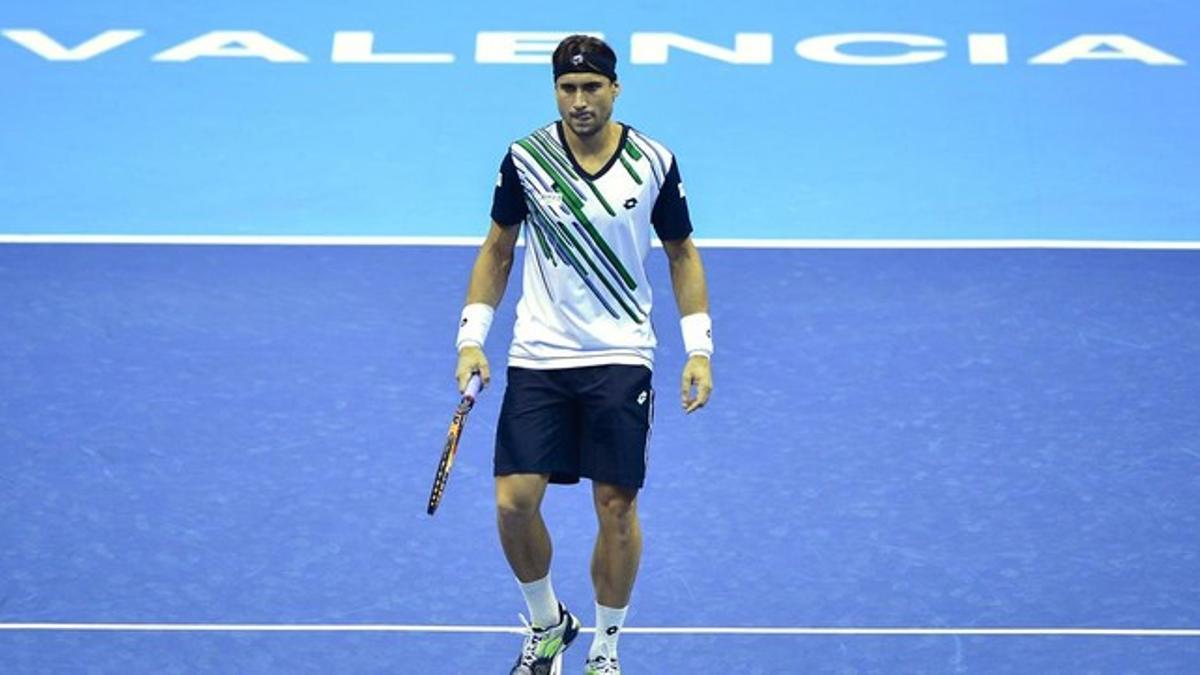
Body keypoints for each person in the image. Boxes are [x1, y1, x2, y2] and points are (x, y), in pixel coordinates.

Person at [454, 34, 713, 675]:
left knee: (616, 507)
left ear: (615, 88)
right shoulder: (526, 158)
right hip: (539, 353)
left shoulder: (653, 160)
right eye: (567, 89)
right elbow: (497, 249)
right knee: (513, 504)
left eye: (591, 87)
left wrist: (699, 349)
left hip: (622, 353)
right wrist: (470, 337)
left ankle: (604, 649)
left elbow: (683, 254)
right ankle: (548, 624)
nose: (578, 101)